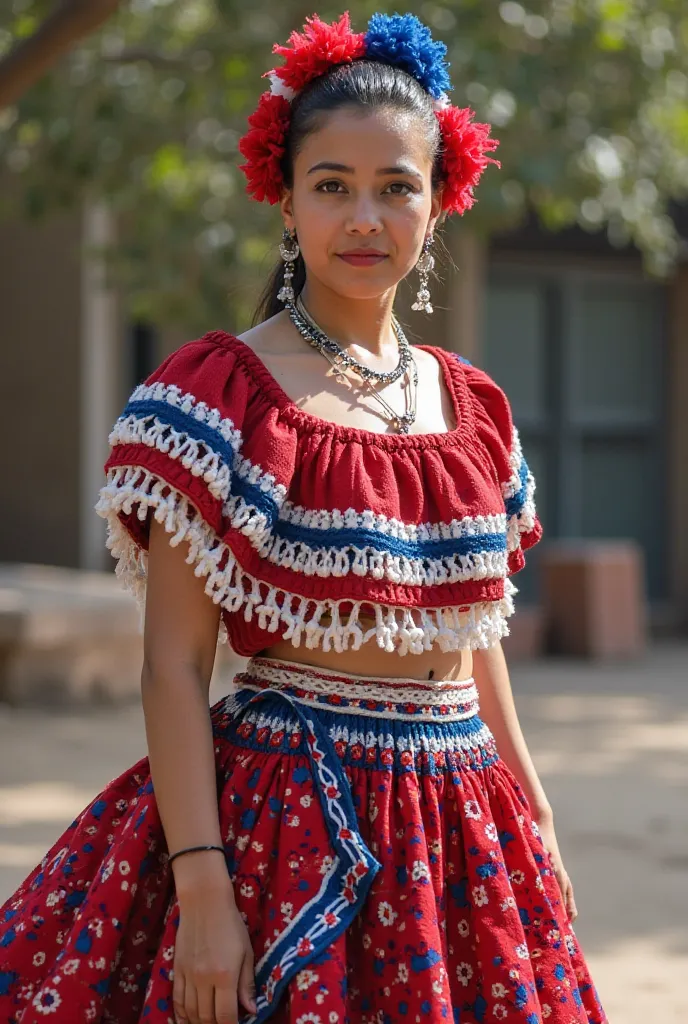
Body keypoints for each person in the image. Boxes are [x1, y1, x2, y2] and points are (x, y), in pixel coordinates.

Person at [0, 12, 607, 1024]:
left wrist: (531, 806)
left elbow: (472, 634)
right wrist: (201, 889)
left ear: (440, 199)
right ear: (284, 202)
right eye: (331, 186)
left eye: (394, 187)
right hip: (283, 818)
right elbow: (171, 668)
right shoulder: (218, 398)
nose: (363, 218)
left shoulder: (473, 408)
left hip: (461, 827)